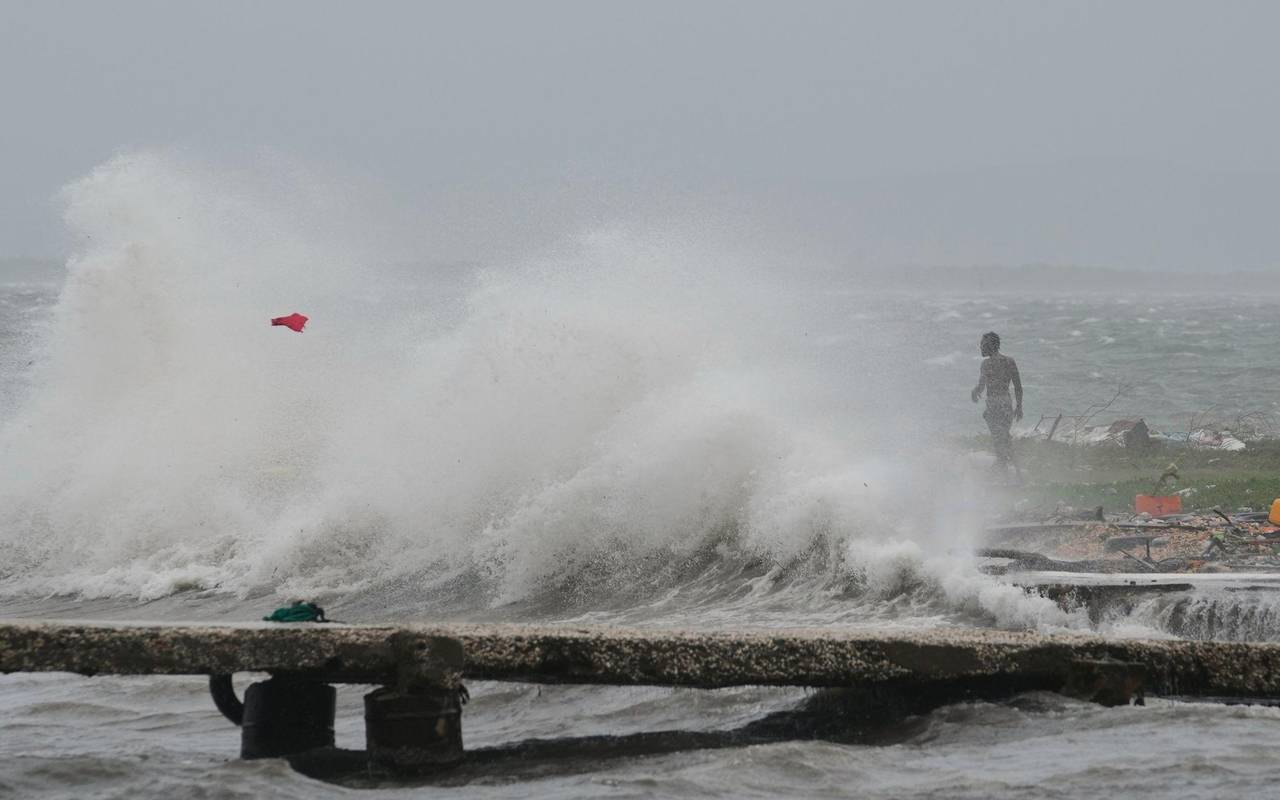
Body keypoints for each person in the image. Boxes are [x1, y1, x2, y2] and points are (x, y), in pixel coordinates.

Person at [970, 331, 1023, 471]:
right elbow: (1018, 387)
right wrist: (1019, 406)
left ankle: (1005, 470)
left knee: (998, 440)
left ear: (990, 346)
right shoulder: (1009, 361)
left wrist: (974, 392)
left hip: (993, 404)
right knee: (1005, 438)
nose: (980, 347)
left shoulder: (986, 364)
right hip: (1006, 403)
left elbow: (981, 387)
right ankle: (1015, 472)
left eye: (982, 345)